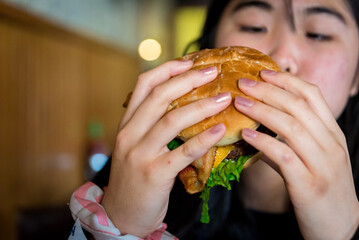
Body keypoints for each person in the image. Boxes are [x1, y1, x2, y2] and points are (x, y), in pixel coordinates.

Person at [68, 0, 359, 239]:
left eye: (319, 33)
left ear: (357, 76)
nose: (282, 58)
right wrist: (119, 226)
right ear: (211, 44)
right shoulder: (138, 168)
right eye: (253, 26)